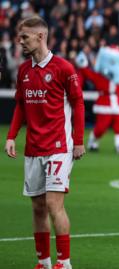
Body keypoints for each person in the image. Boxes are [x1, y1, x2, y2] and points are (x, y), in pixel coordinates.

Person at [4, 16, 85, 269]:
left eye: (25, 37)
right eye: (19, 37)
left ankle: (64, 262)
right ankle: (44, 261)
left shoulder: (63, 68)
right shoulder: (24, 70)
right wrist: (10, 136)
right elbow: (20, 105)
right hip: (33, 147)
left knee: (53, 203)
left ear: (41, 37)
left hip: (59, 147)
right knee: (38, 207)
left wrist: (79, 141)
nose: (20, 42)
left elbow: (78, 103)